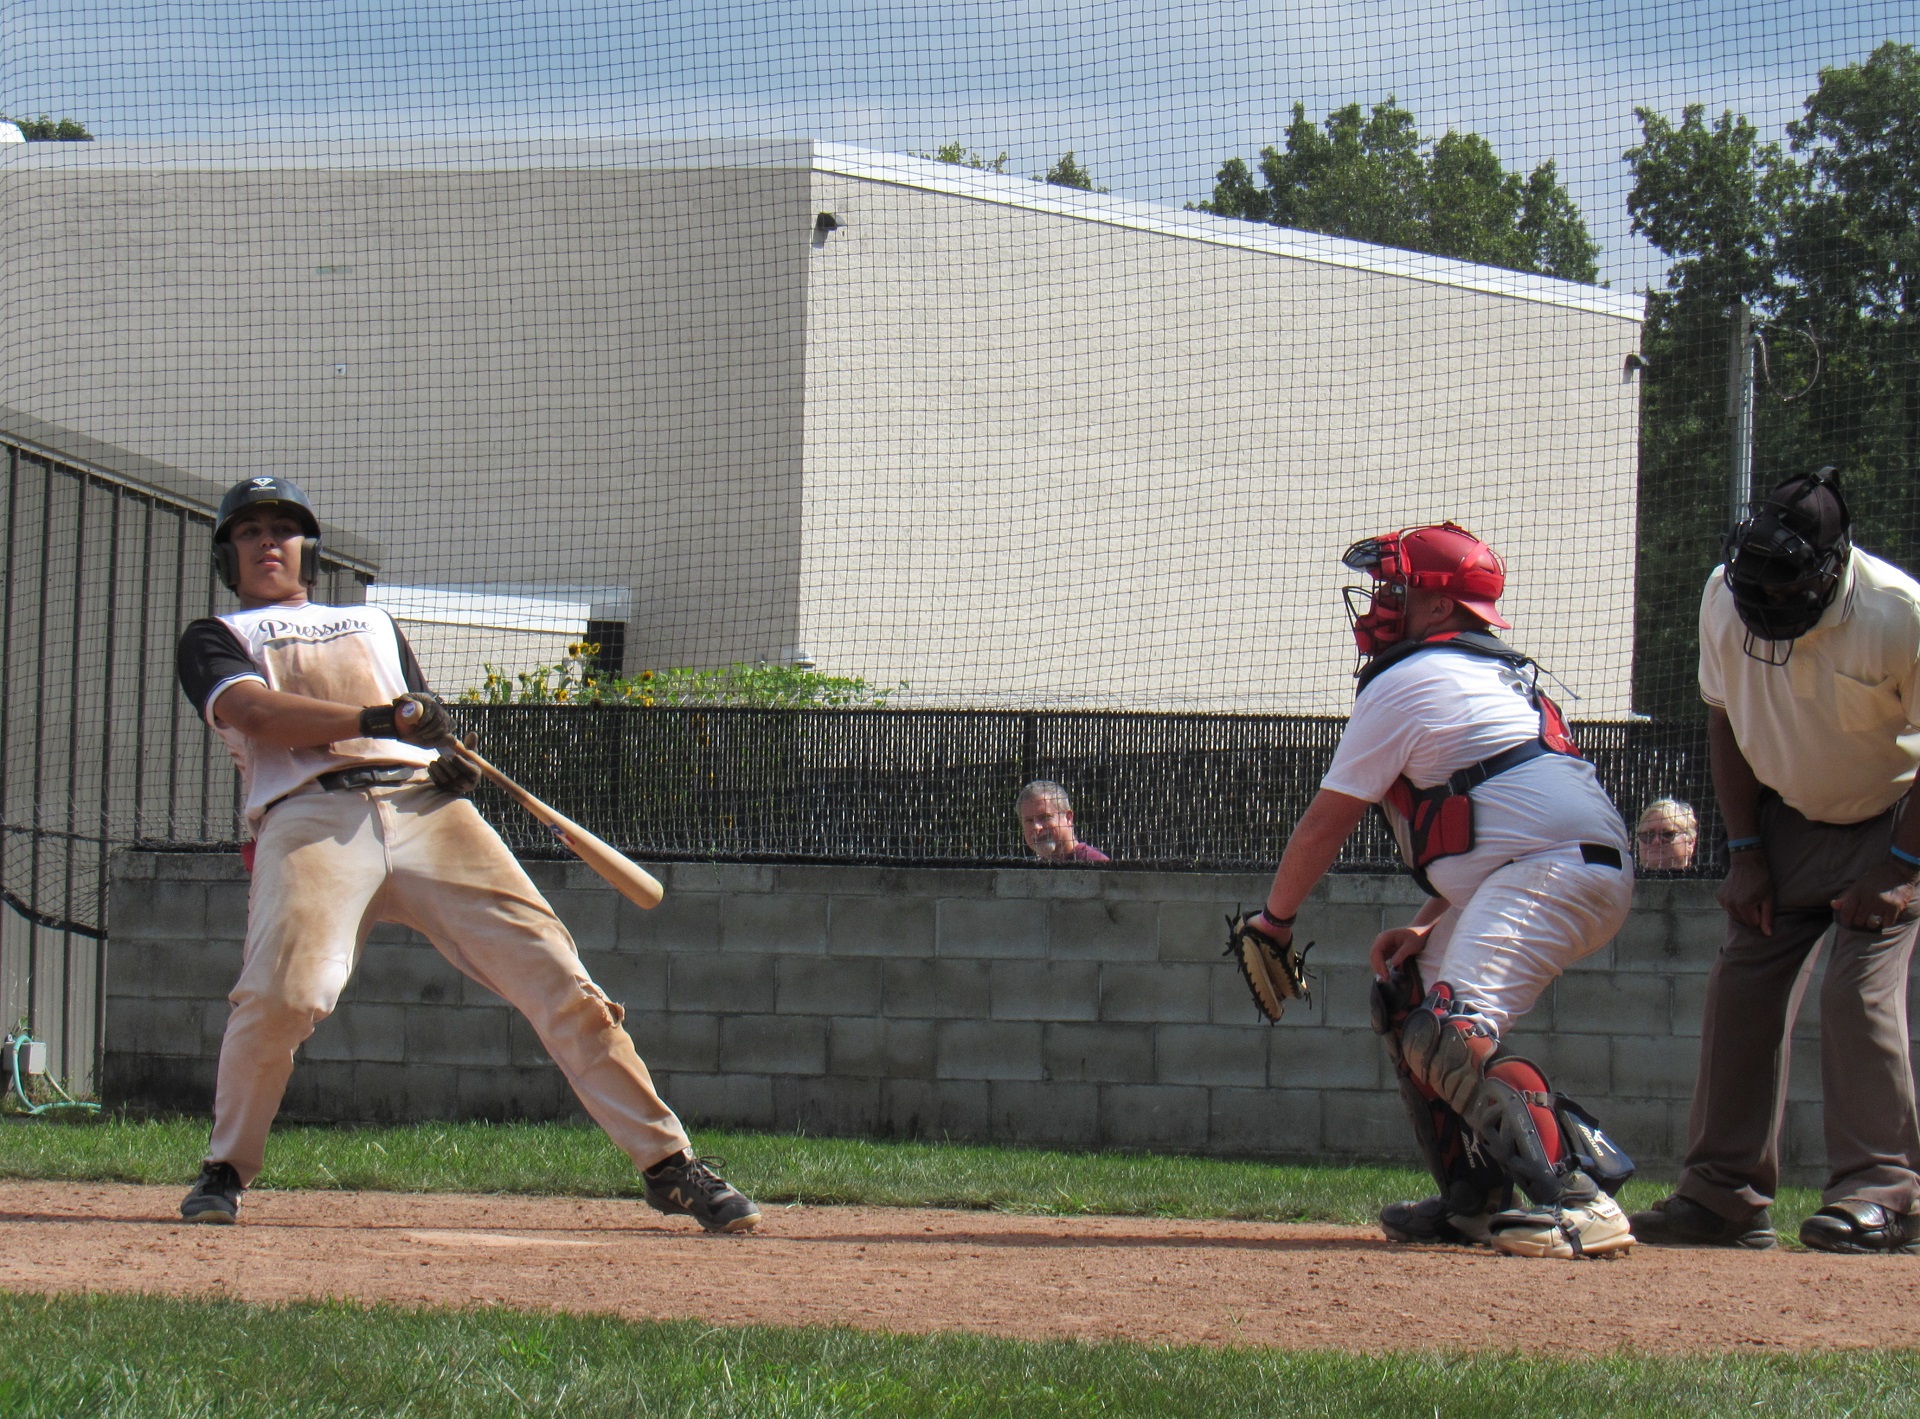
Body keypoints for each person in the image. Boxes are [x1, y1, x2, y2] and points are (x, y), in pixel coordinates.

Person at [173, 476, 759, 1233]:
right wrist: (381, 718)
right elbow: (256, 712)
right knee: (286, 996)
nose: (267, 542)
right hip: (309, 815)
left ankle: (669, 1165)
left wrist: (450, 757)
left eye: (282, 529)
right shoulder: (217, 634)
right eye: (249, 532)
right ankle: (225, 1167)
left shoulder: (372, 621)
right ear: (228, 556)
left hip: (427, 807)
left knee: (560, 980)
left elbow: (422, 721)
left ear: (308, 550)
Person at [1238, 522, 1636, 1259]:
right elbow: (1503, 820)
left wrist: (1275, 920)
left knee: (1451, 1031)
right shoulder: (1477, 673)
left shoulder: (1411, 676)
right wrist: (1431, 919)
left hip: (1553, 870)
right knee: (1407, 990)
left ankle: (1581, 1199)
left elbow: (1327, 820)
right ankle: (1474, 1202)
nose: (1381, 602)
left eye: (1398, 588)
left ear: (1442, 607)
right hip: (1547, 866)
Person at [1632, 467, 1920, 1255]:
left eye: (1783, 585)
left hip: (1894, 818)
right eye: (1753, 579)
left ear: (1832, 567)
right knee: (1742, 987)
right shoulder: (1723, 595)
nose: (1761, 599)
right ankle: (1720, 1196)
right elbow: (1724, 719)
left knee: (1856, 993)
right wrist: (1746, 851)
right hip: (1785, 820)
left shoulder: (1899, 613)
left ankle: (1885, 1196)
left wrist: (1900, 866)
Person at [1016, 780, 1109, 862]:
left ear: (1068, 818)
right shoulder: (1036, 870)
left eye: (1045, 817)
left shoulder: (1094, 862)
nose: (1036, 827)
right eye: (1029, 821)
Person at [1634, 798, 1699, 870]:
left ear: (1690, 843)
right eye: (1647, 835)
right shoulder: (1628, 876)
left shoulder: (1704, 876)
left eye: (1667, 834)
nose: (1656, 841)